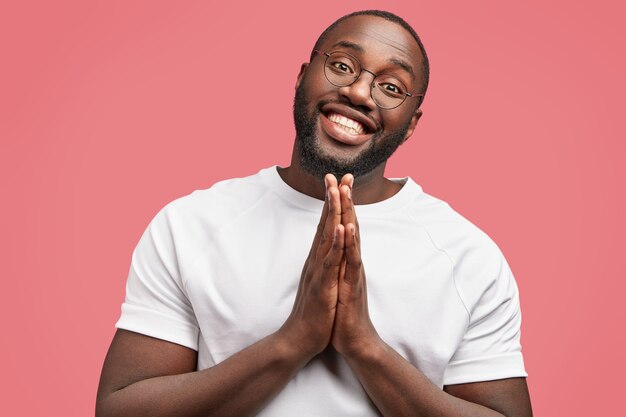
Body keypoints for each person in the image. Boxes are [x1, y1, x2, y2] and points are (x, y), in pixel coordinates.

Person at [96, 9, 533, 417]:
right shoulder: (189, 225)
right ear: (303, 77)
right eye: (342, 66)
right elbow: (120, 408)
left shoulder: (469, 255)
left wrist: (364, 346)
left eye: (391, 87)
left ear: (412, 123)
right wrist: (293, 341)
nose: (359, 92)